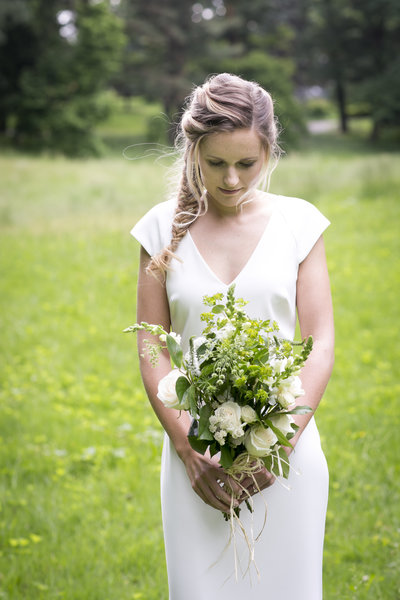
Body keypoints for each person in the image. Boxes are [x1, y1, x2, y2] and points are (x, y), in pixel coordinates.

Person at [130, 73, 334, 599]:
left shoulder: (298, 224)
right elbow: (152, 343)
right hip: (198, 462)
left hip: (285, 461)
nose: (232, 180)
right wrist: (186, 447)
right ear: (193, 151)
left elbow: (319, 340)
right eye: (215, 163)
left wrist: (280, 443)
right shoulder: (160, 230)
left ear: (269, 150)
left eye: (248, 163)